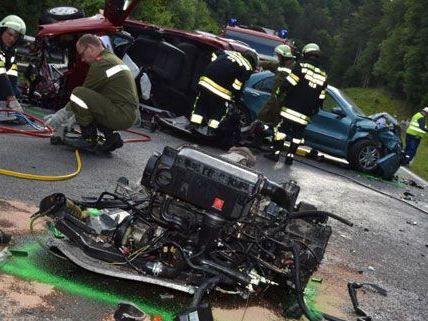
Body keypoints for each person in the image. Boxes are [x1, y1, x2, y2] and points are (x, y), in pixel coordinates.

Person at [45, 34, 139, 152]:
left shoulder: (101, 64)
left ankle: (88, 139)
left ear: (91, 48)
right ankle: (112, 138)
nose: (83, 59)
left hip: (121, 114)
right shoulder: (111, 58)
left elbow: (80, 97)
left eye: (82, 54)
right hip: (126, 113)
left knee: (77, 92)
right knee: (93, 103)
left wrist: (61, 115)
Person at [269, 43, 327, 164]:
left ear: (306, 53)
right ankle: (290, 157)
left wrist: (278, 93)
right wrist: (315, 109)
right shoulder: (323, 74)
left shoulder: (301, 66)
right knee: (297, 135)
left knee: (281, 130)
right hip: (306, 112)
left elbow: (288, 83)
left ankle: (276, 154)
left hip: (291, 106)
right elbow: (321, 96)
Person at [189, 49, 258, 148]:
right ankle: (212, 130)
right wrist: (236, 98)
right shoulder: (247, 67)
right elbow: (237, 86)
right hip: (221, 90)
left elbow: (214, 53)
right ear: (253, 62)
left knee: (201, 103)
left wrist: (213, 65)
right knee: (220, 109)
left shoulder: (228, 53)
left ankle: (194, 125)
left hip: (205, 81)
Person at [258, 44, 296, 124]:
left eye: (279, 55)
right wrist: (256, 62)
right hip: (274, 98)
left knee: (269, 119)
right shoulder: (281, 65)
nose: (278, 57)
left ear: (283, 56)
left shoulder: (293, 68)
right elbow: (269, 64)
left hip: (281, 101)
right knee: (262, 117)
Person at [0, 15, 26, 112]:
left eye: (15, 37)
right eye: (9, 34)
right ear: (2, 31)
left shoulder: (10, 52)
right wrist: (11, 99)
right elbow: (1, 73)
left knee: (17, 92)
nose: (12, 39)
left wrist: (14, 96)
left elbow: (12, 76)